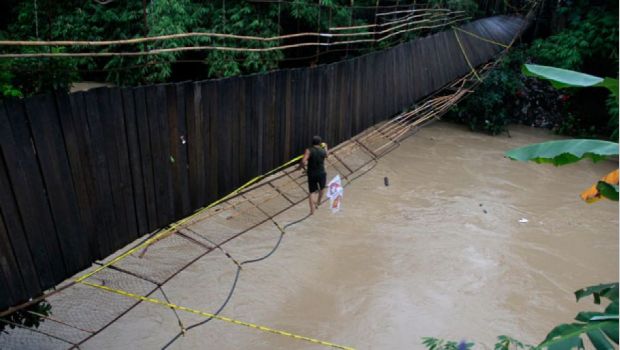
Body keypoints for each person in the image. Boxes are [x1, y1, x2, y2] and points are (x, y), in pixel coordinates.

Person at [301, 135, 328, 215]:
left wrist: (303, 168)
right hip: (321, 173)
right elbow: (327, 155)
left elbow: (303, 161)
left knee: (311, 192)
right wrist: (326, 147)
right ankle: (318, 202)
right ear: (320, 143)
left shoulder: (308, 150)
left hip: (312, 173)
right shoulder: (322, 150)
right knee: (322, 188)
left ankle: (312, 211)